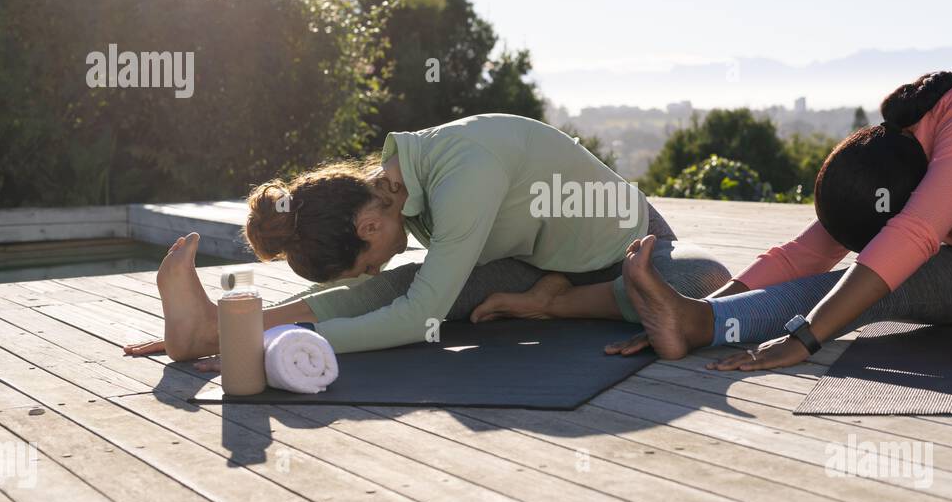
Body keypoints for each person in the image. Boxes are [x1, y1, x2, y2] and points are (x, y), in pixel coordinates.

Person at [606, 71, 952, 371]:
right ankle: (696, 327)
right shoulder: (889, 158)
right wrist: (714, 308)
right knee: (874, 282)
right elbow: (810, 253)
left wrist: (807, 339)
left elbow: (914, 234)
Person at [123, 113, 729, 360]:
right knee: (414, 286)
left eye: (361, 262)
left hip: (629, 245)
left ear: (368, 226)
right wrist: (241, 334)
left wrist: (276, 351)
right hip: (532, 259)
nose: (370, 271)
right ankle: (210, 330)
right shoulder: (395, 187)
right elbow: (403, 300)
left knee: (702, 279)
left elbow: (416, 320)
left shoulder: (462, 173)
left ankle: (559, 300)